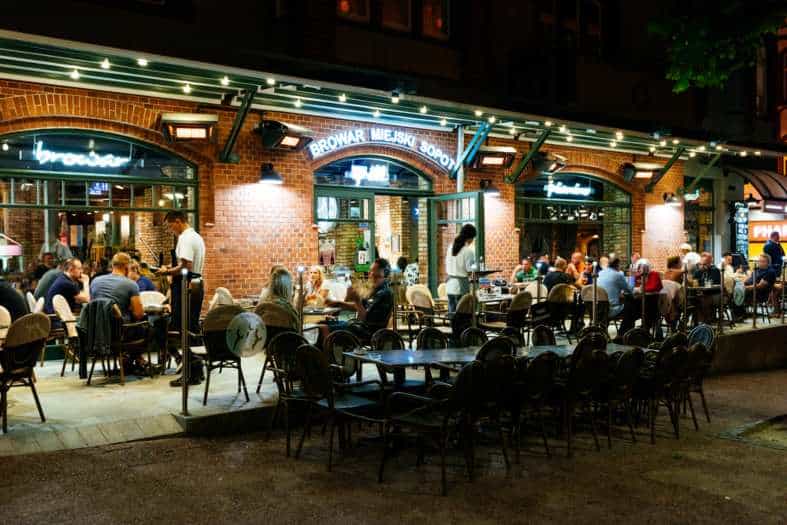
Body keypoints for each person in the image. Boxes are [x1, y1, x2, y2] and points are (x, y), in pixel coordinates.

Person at [158, 211, 206, 387]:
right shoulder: (196, 237)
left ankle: (190, 372)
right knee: (190, 329)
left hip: (186, 287)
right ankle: (197, 370)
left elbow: (186, 266)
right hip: (196, 284)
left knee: (181, 330)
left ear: (178, 221)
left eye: (171, 226)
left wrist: (167, 271)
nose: (172, 230)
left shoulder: (185, 238)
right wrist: (172, 268)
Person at [323, 258, 394, 342]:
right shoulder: (375, 289)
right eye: (370, 272)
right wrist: (338, 303)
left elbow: (364, 319)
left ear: (385, 276)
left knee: (323, 328)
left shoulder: (385, 293)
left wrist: (357, 300)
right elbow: (357, 307)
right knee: (322, 323)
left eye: (376, 275)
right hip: (358, 326)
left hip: (367, 332)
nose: (371, 276)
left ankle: (329, 353)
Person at [90, 253, 144, 321]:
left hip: (96, 326)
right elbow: (139, 314)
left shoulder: (95, 281)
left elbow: (91, 305)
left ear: (112, 265)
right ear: (127, 267)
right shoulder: (131, 284)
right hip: (121, 328)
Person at [445, 224, 476, 313]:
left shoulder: (450, 247)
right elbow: (470, 270)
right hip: (460, 286)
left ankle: (453, 327)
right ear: (470, 237)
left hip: (449, 285)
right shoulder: (468, 251)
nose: (473, 240)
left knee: (452, 314)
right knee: (462, 314)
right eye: (473, 238)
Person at [262, 267, 300, 331]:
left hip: (267, 340)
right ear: (288, 286)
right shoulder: (289, 310)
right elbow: (297, 333)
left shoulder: (261, 308)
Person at [597, 257, 632, 321]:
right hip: (611, 309)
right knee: (631, 307)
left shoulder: (600, 273)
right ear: (618, 265)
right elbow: (629, 290)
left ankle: (604, 326)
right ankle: (623, 330)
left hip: (598, 309)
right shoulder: (618, 275)